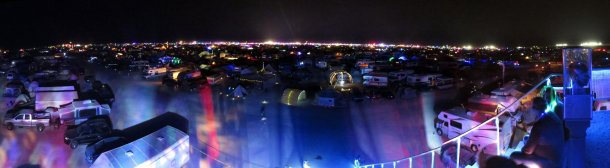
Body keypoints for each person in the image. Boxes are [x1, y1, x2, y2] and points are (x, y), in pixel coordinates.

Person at [510, 100, 565, 168]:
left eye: (528, 111)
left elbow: (527, 151)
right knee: (526, 138)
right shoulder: (551, 115)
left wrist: (523, 148)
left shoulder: (539, 125)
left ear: (535, 110)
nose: (525, 114)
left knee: (514, 156)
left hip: (549, 164)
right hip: (559, 159)